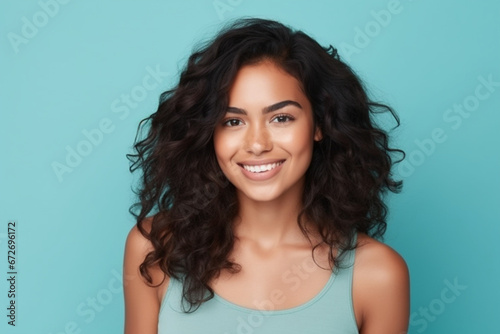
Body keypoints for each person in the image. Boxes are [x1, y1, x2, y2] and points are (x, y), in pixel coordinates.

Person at [123, 18, 410, 334]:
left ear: (319, 125)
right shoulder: (155, 248)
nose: (257, 144)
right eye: (233, 121)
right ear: (209, 134)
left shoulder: (378, 274)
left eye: (281, 118)